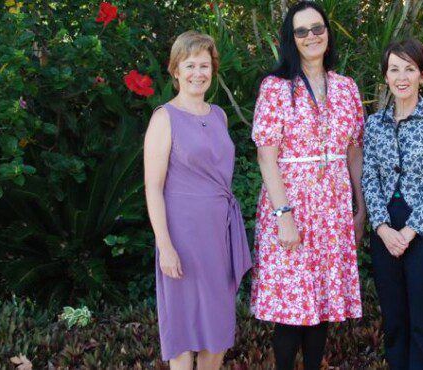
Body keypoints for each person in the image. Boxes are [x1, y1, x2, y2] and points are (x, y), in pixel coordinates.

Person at [250, 2, 365, 369]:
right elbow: (266, 157)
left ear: (327, 33)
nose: (311, 36)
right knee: (290, 308)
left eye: (317, 28)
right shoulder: (276, 88)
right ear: (291, 39)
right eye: (302, 31)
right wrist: (283, 215)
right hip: (292, 208)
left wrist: (360, 208)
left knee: (323, 306)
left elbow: (354, 152)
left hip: (333, 212)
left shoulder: (347, 88)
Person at [144, 31, 252, 369]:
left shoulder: (218, 114)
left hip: (218, 233)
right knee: (183, 324)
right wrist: (165, 245)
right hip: (182, 235)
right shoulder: (164, 117)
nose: (197, 73)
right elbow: (153, 186)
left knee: (218, 326)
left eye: (204, 65)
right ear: (176, 70)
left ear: (213, 70)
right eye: (189, 65)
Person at [362, 39, 423, 370]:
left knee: (422, 320)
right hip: (385, 229)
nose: (401, 76)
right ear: (386, 76)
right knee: (394, 320)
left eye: (409, 69)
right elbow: (369, 178)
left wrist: (412, 230)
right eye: (394, 69)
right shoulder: (374, 124)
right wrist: (382, 227)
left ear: (422, 75)